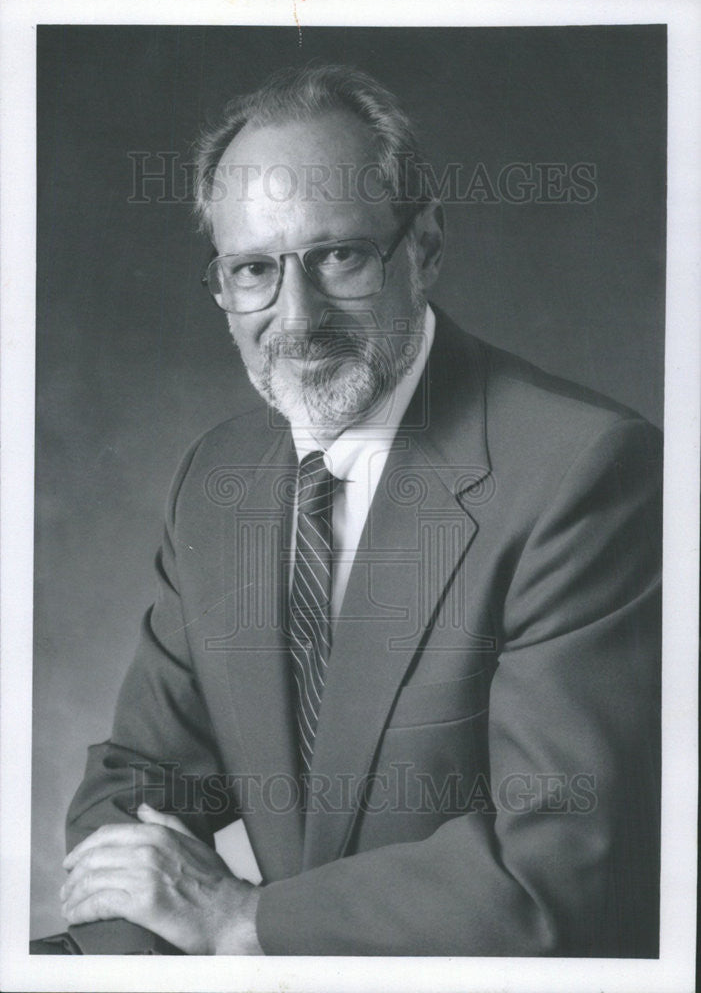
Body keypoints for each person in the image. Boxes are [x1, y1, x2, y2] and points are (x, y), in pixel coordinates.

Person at [58, 63, 662, 957]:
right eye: (253, 269)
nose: (294, 316)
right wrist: (164, 945)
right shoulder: (218, 476)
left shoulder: (583, 472)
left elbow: (557, 868)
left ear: (424, 247)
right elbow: (140, 781)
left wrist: (243, 922)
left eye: (337, 256)